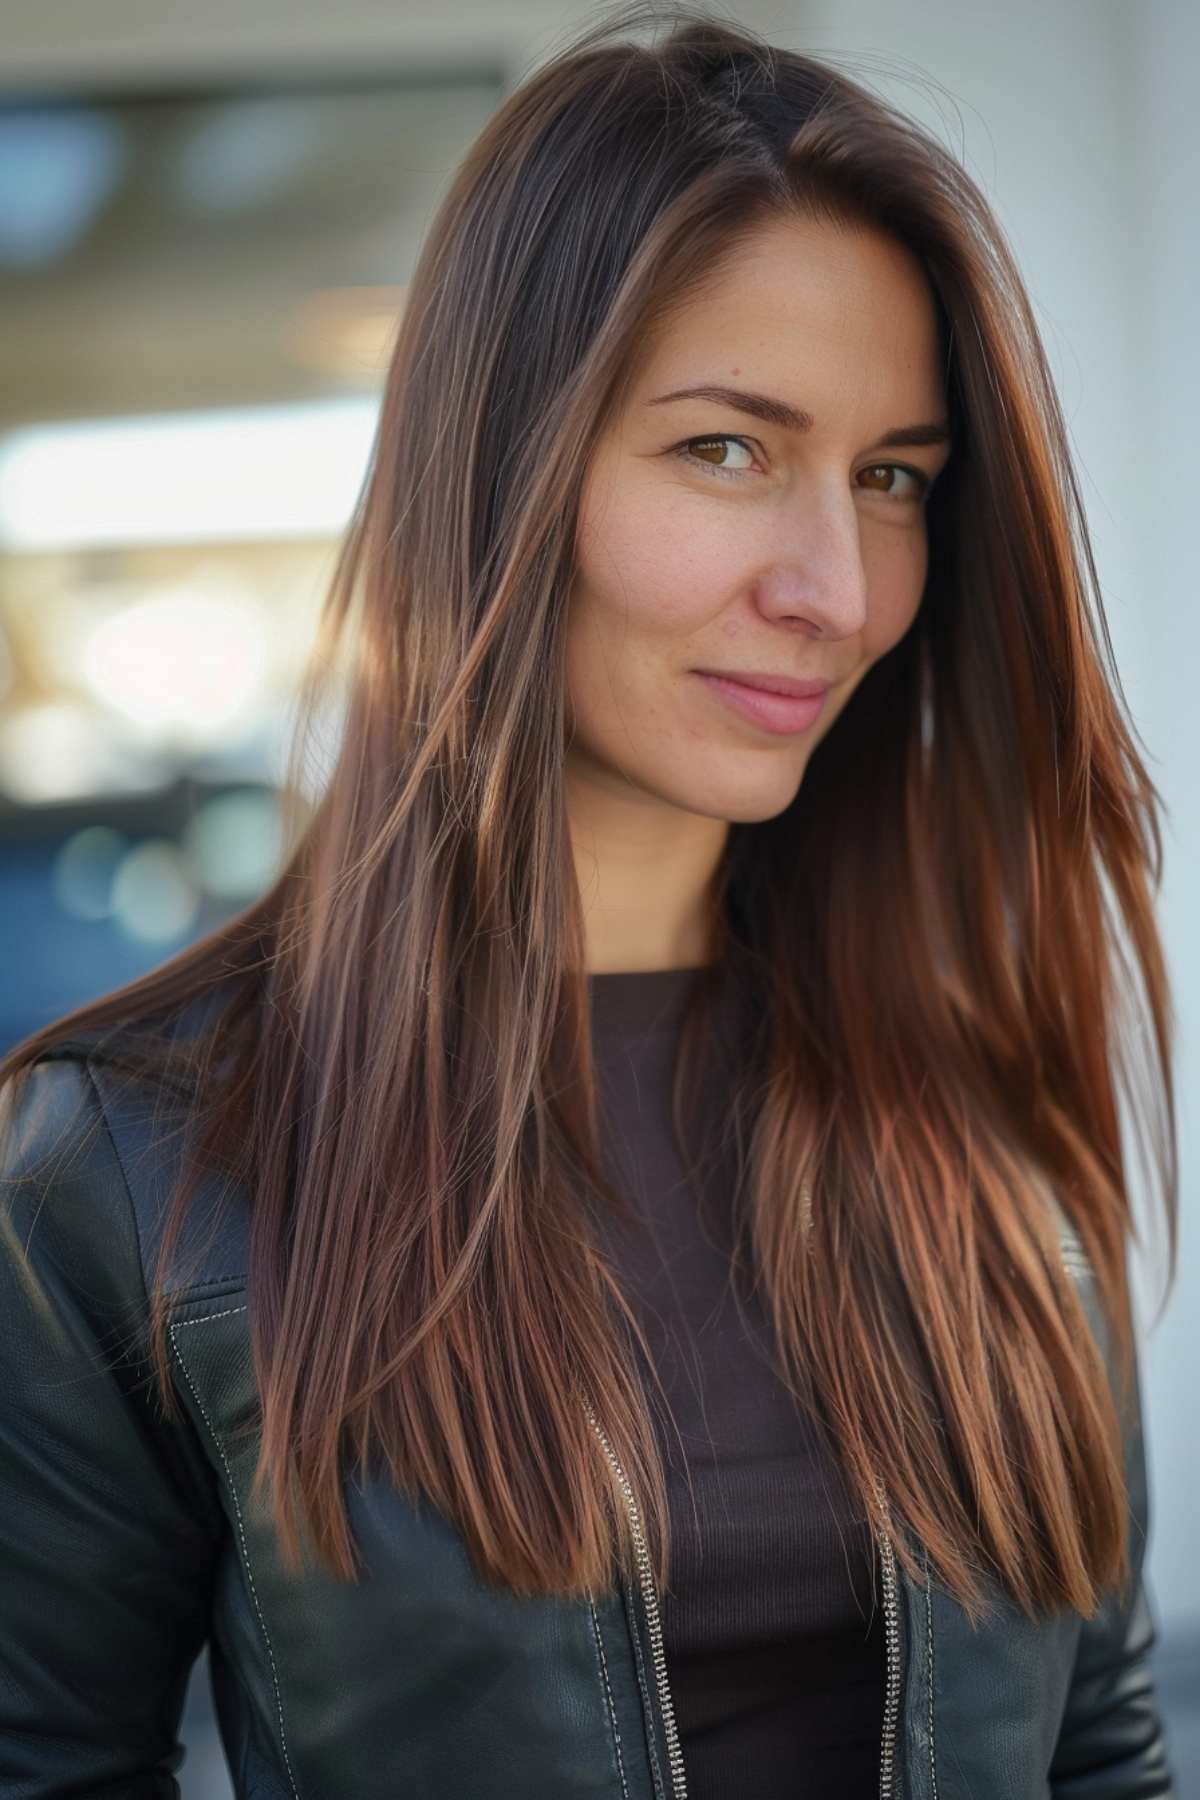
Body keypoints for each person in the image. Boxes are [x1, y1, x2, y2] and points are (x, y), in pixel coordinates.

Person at [0, 3, 1181, 1795]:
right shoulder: (141, 1162)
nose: (836, 587)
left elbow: (1095, 1748)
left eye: (893, 481)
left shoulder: (976, 1093)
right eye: (726, 449)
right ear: (504, 471)